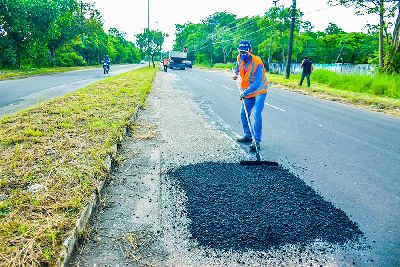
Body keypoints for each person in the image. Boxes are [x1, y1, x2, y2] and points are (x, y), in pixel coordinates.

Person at [232, 40, 269, 152]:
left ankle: (256, 141)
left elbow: (257, 82)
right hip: (248, 90)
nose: (243, 54)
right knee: (244, 113)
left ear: (250, 51)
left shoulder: (257, 62)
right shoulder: (239, 58)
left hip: (259, 90)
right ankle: (248, 136)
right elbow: (238, 67)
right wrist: (236, 73)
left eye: (245, 52)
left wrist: (244, 93)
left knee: (257, 114)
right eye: (241, 52)